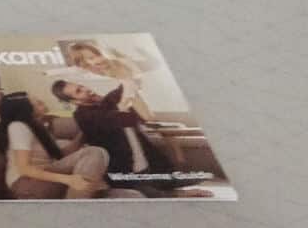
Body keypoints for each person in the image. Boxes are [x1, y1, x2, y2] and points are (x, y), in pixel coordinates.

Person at [52, 79, 212, 197]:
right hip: (125, 170)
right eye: (78, 91)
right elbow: (122, 118)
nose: (86, 89)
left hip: (147, 163)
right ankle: (175, 193)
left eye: (82, 86)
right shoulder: (83, 115)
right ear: (73, 101)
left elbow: (129, 83)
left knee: (200, 177)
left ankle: (171, 185)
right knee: (147, 194)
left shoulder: (103, 103)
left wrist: (124, 79)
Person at [0, 91, 109, 199]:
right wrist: (69, 179)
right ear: (25, 109)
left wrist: (85, 130)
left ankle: (78, 197)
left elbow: (62, 154)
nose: (41, 101)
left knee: (93, 152)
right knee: (95, 154)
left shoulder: (37, 126)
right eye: (36, 102)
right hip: (26, 184)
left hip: (43, 175)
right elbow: (24, 169)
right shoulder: (18, 127)